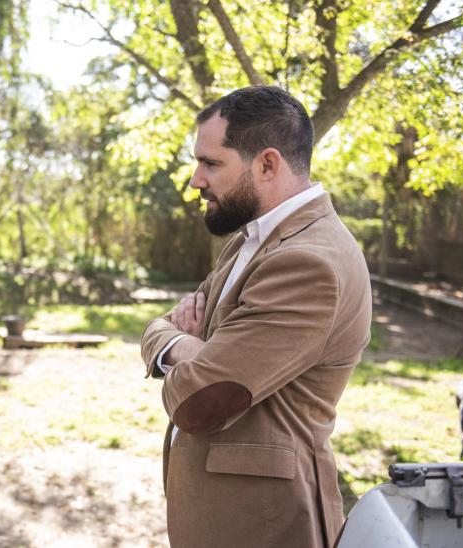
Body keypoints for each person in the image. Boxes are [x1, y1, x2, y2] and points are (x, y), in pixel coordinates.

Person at [140, 86, 372, 547]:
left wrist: (186, 348)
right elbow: (161, 324)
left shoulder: (308, 262)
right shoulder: (254, 238)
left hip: (263, 523)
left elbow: (200, 401)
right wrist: (186, 344)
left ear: (267, 164)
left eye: (210, 163)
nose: (195, 180)